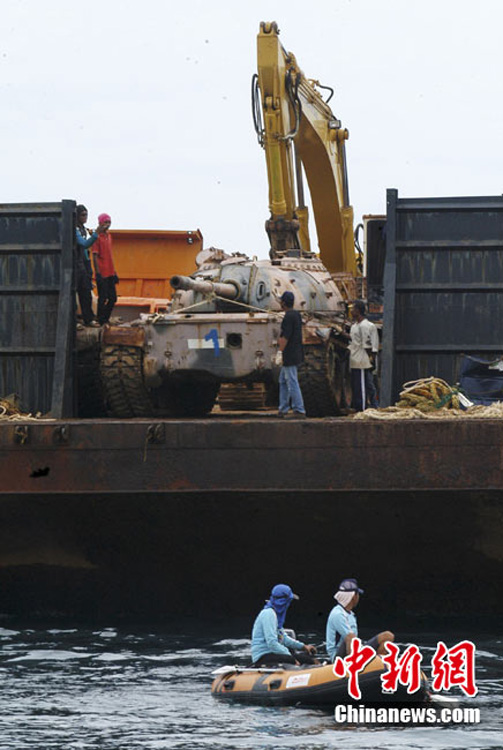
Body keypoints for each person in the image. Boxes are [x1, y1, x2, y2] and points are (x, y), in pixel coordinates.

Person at [325, 578, 395, 661]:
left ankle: (377, 664)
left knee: (388, 637)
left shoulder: (351, 614)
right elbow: (350, 638)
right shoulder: (337, 614)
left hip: (355, 648)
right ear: (353, 596)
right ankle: (353, 664)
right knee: (351, 637)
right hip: (338, 656)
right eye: (357, 594)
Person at [251, 583, 317, 666]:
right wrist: (290, 657)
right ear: (283, 601)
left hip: (274, 653)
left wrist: (303, 647)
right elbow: (272, 643)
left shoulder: (276, 616)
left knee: (308, 660)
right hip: (263, 656)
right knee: (293, 660)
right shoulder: (268, 614)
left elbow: (283, 638)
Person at [75, 205, 106, 327]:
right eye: (83, 215)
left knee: (86, 293)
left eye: (86, 215)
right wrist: (96, 234)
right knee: (75, 294)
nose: (85, 217)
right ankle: (75, 321)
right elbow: (84, 244)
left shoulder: (83, 229)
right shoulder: (75, 230)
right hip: (77, 265)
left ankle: (88, 318)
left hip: (84, 264)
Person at [277, 291, 306, 418]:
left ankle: (299, 409)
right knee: (283, 380)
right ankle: (283, 408)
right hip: (295, 352)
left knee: (291, 381)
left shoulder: (288, 317)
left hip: (289, 354)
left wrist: (279, 352)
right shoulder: (296, 315)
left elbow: (285, 336)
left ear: (283, 303)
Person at [348, 300, 379, 411]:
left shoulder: (366, 326)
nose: (351, 311)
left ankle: (362, 408)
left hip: (362, 360)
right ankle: (370, 405)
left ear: (358, 310)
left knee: (363, 385)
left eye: (353, 309)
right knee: (361, 384)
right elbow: (354, 340)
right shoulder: (355, 326)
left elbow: (369, 344)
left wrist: (371, 359)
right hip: (356, 359)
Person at [92, 212, 119, 325]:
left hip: (110, 272)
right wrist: (98, 273)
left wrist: (114, 272)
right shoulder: (97, 237)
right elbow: (94, 256)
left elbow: (109, 255)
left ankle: (105, 318)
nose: (107, 225)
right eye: (105, 222)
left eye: (109, 222)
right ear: (100, 223)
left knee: (113, 298)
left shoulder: (109, 236)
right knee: (102, 298)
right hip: (102, 273)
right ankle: (100, 319)